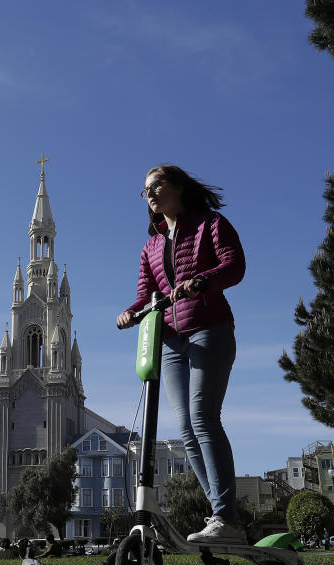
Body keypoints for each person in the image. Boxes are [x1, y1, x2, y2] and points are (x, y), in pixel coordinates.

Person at [117, 165, 246, 545]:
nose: (151, 194)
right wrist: (131, 311)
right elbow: (147, 292)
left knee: (204, 418)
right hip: (170, 340)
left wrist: (202, 280)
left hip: (209, 328)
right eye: (146, 191)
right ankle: (223, 518)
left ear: (178, 188)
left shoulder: (210, 224)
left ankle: (226, 517)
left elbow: (234, 265)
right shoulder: (151, 245)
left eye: (157, 186)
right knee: (187, 430)